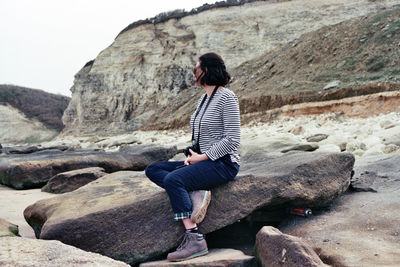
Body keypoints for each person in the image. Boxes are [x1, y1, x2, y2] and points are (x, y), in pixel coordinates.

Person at [145, 52, 240, 262]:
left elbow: (233, 140)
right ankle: (194, 193)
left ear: (206, 70)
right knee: (153, 169)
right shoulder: (203, 99)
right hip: (204, 160)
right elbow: (202, 135)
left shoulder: (227, 97)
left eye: (195, 69)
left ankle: (195, 238)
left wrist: (202, 157)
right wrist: (192, 153)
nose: (193, 73)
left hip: (223, 164)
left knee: (173, 179)